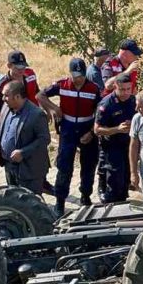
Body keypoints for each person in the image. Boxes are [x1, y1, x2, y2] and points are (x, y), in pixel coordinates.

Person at [40, 58, 103, 214]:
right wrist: (54, 108)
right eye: (75, 75)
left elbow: (100, 113)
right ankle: (60, 201)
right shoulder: (62, 85)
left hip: (86, 128)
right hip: (68, 128)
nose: (78, 79)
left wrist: (91, 132)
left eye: (81, 75)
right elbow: (40, 95)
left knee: (88, 166)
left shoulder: (93, 89)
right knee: (64, 166)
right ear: (70, 74)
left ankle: (85, 196)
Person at [0, 80, 51, 195]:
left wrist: (23, 152)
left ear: (17, 96)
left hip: (29, 170)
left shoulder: (37, 114)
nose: (3, 99)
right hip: (9, 166)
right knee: (15, 202)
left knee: (31, 204)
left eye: (6, 95)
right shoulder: (6, 107)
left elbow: (44, 139)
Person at [94, 74, 136, 203]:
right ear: (115, 87)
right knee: (114, 179)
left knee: (125, 179)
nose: (126, 93)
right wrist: (117, 129)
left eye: (128, 89)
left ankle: (122, 201)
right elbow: (97, 130)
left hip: (128, 145)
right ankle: (110, 202)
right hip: (112, 146)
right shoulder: (107, 104)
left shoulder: (133, 100)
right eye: (122, 89)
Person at [0, 50, 40, 125]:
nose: (21, 70)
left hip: (34, 117)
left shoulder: (30, 74)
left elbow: (37, 93)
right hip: (15, 121)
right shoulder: (1, 85)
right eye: (18, 67)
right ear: (9, 66)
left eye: (23, 66)